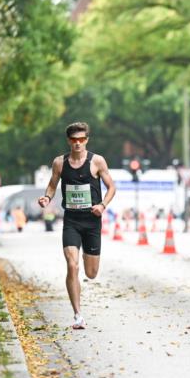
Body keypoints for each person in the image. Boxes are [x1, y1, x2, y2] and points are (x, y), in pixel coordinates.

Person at [38, 122, 116, 330]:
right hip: (71, 220)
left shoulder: (97, 161)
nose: (78, 143)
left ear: (87, 140)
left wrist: (102, 204)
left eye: (82, 139)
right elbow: (53, 185)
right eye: (74, 140)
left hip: (91, 221)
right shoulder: (59, 163)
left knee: (91, 273)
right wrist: (47, 197)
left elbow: (111, 187)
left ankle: (86, 255)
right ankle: (78, 315)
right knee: (72, 266)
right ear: (69, 141)